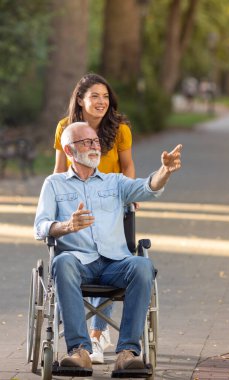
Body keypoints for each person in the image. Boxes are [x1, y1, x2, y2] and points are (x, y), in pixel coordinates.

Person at [34, 122, 182, 373]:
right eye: (86, 142)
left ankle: (127, 353)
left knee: (142, 265)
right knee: (62, 262)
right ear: (69, 151)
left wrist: (164, 172)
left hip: (116, 263)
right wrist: (67, 226)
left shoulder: (114, 182)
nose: (94, 146)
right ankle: (79, 351)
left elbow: (147, 188)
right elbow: (40, 227)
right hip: (77, 263)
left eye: (96, 142)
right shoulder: (54, 184)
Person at [53, 73, 135, 363]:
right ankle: (76, 335)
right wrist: (55, 206)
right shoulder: (65, 128)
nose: (102, 102)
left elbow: (127, 167)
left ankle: (98, 335)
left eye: (105, 96)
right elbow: (59, 171)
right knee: (66, 260)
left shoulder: (120, 129)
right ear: (80, 99)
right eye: (94, 96)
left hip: (111, 204)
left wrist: (129, 197)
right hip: (77, 209)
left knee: (111, 253)